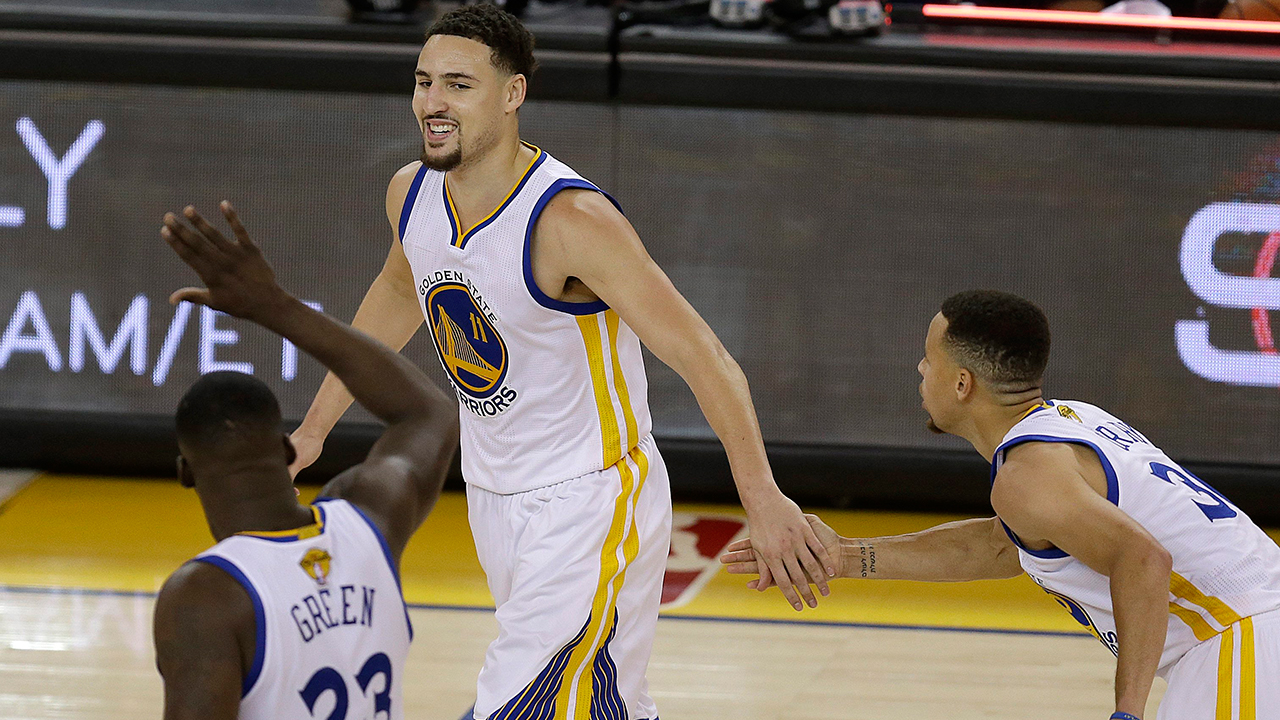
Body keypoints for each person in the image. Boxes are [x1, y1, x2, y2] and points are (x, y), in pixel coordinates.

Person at [287, 5, 834, 719]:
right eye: (424, 82)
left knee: (520, 705)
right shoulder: (412, 192)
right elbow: (397, 292)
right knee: (599, 702)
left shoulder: (571, 221)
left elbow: (708, 359)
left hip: (593, 500)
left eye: (459, 85)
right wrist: (314, 430)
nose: (432, 103)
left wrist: (761, 499)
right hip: (494, 493)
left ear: (512, 94)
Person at [721, 290, 1280, 720]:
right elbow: (996, 546)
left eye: (928, 359)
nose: (920, 371)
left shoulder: (1026, 475)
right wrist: (844, 556)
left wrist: (1126, 713)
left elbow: (1143, 559)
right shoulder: (1072, 422)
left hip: (1240, 642)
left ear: (962, 383)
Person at [153, 202, 458, 720]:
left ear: (185, 473)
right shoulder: (369, 522)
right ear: (287, 449)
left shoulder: (206, 596)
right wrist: (276, 307)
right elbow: (428, 413)